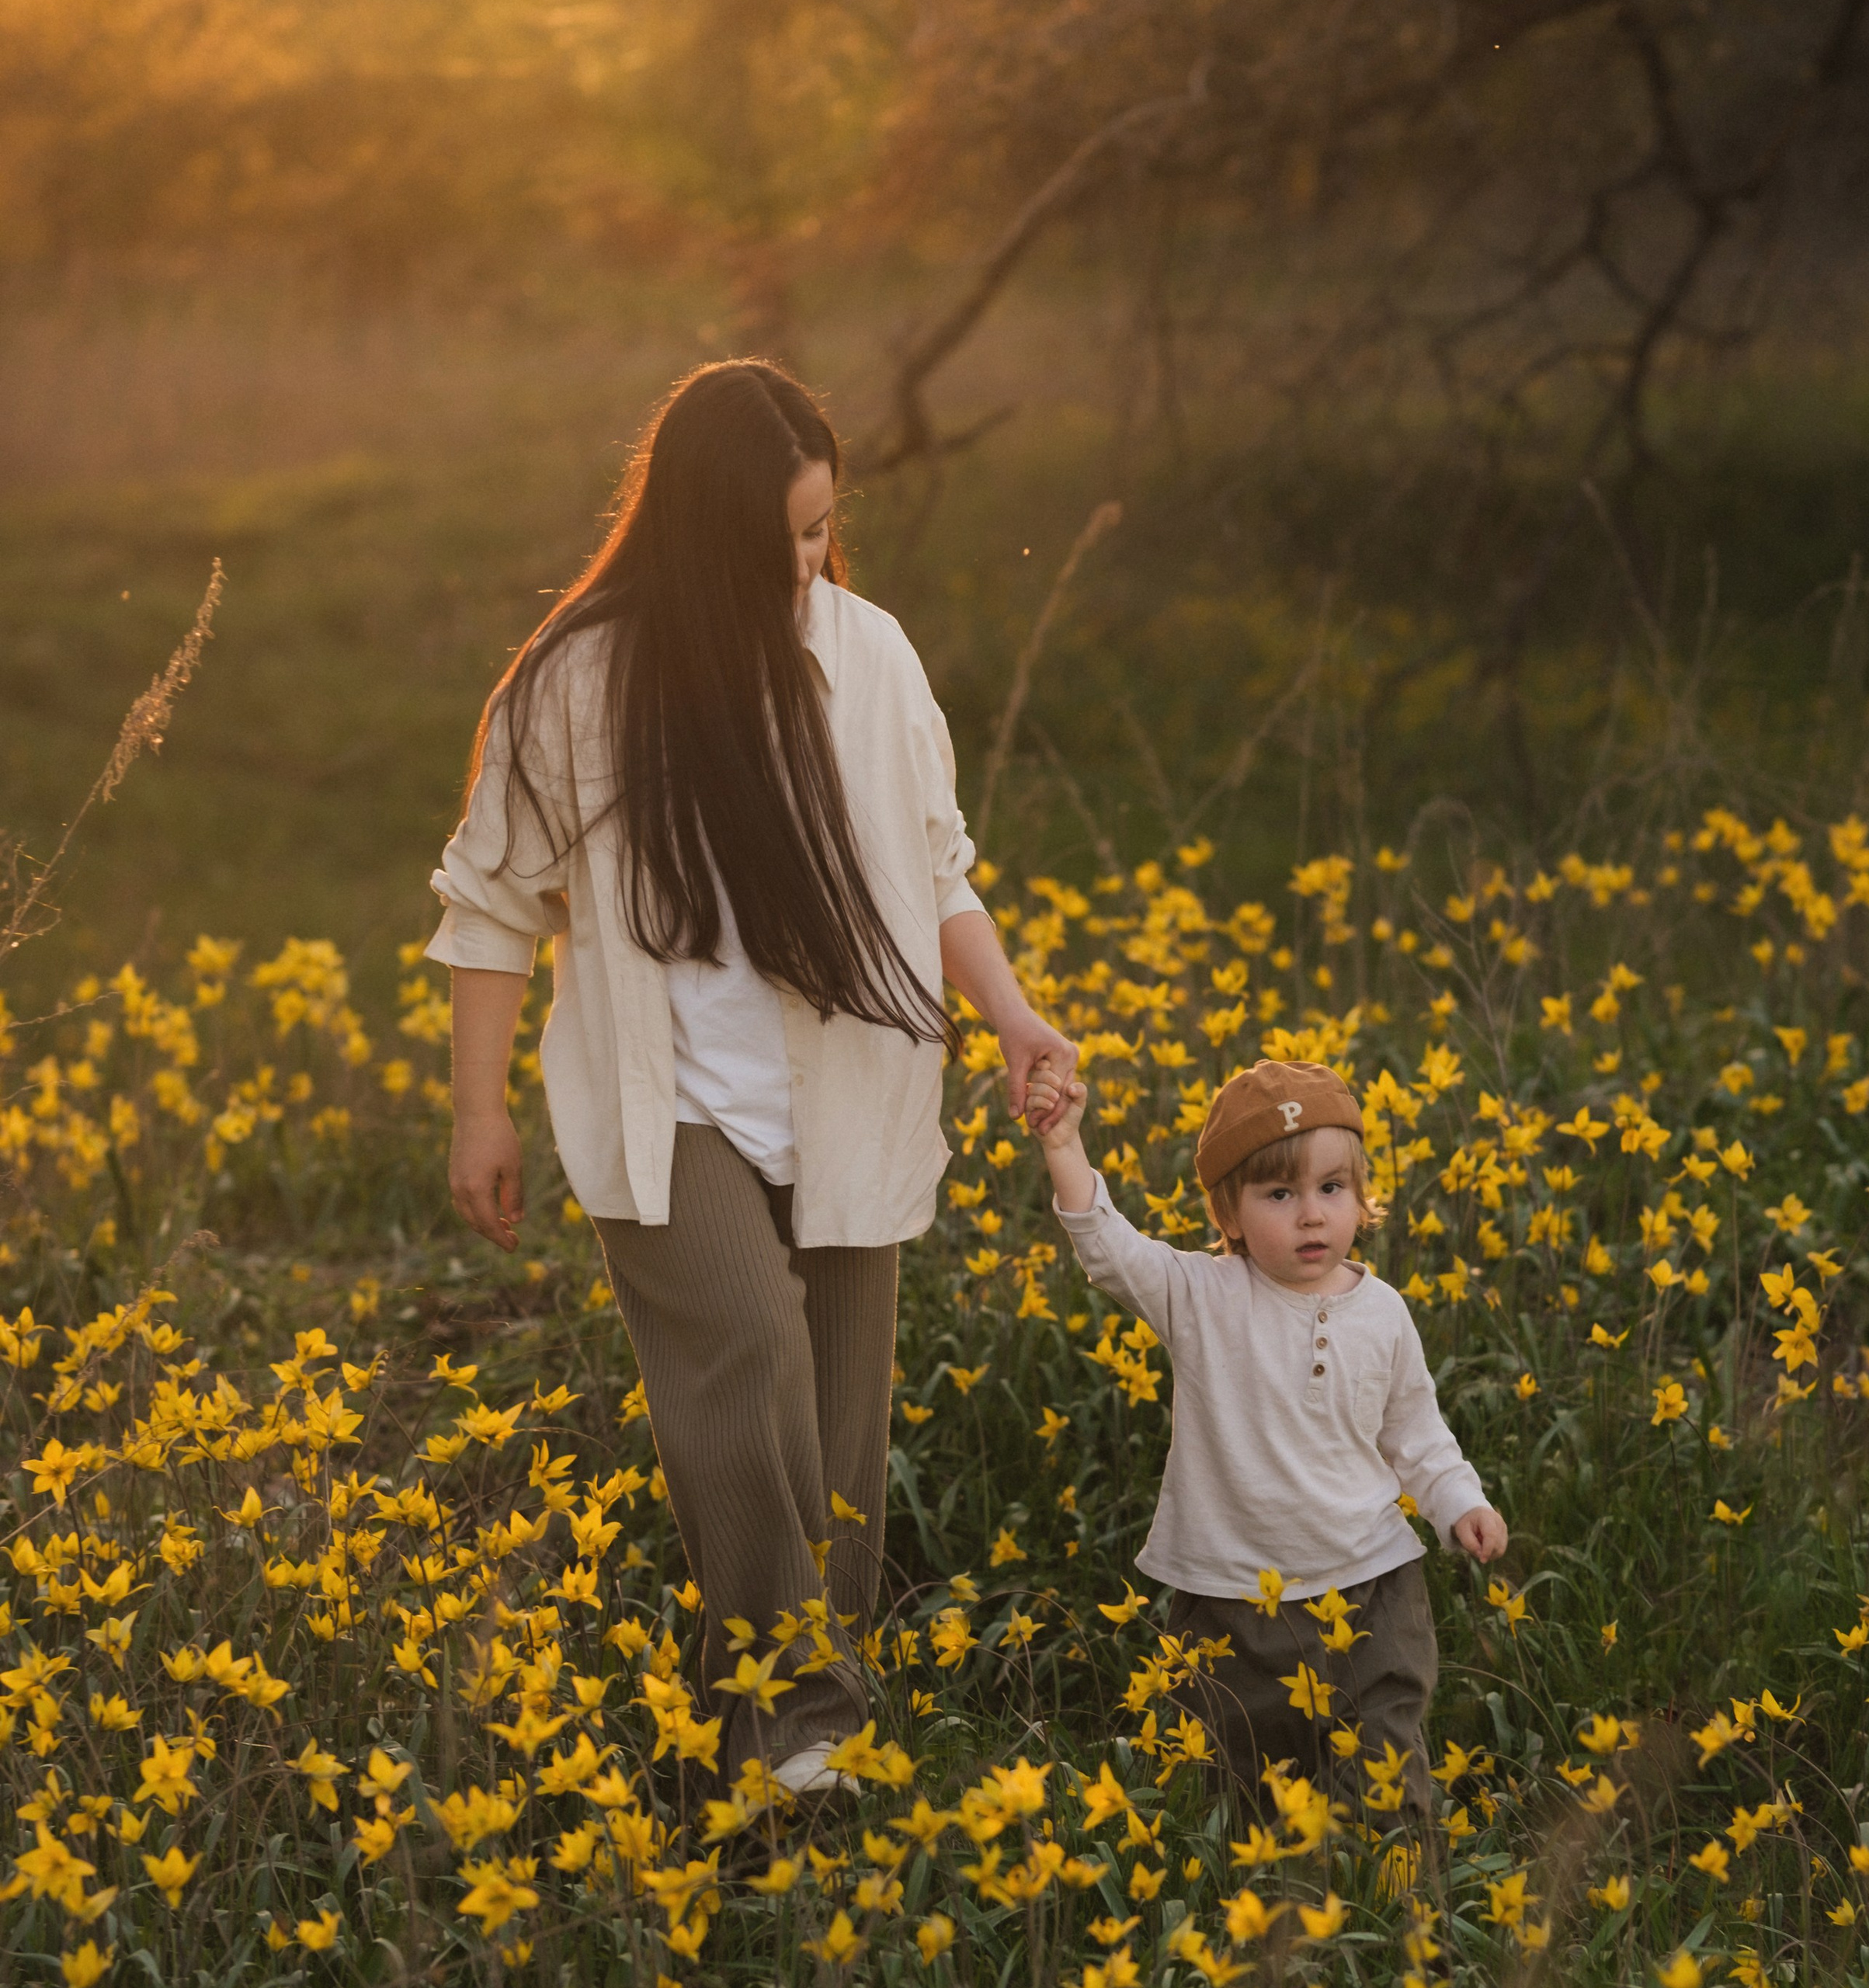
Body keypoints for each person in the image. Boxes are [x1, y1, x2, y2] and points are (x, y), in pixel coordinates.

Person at [427, 359, 1076, 1796]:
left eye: (822, 526)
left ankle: (772, 1753)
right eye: (782, 535)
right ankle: (803, 1720)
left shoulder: (871, 656)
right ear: (701, 533)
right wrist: (480, 1114)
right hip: (671, 1114)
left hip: (852, 1092)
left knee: (836, 1448)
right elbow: (490, 906)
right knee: (749, 1359)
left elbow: (938, 864)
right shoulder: (577, 681)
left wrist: (1018, 1017)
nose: (810, 560)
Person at [1025, 1055, 1506, 1815]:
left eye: (1330, 1188)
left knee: (1384, 1767)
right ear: (1229, 1211)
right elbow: (1111, 1250)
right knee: (1233, 1780)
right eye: (1279, 1193)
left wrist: (1459, 1502)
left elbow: (1416, 1431)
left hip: (1370, 1584)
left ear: (1359, 1194)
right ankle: (1256, 1915)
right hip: (1230, 1597)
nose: (1311, 1213)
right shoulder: (1201, 1295)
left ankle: (1397, 1909)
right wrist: (1062, 1147)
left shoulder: (1382, 1311)